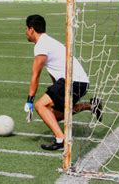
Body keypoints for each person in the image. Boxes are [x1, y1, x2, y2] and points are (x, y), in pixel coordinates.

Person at [24, 14, 102, 151]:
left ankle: (61, 140)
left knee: (40, 106)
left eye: (26, 29)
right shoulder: (48, 42)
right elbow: (54, 72)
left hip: (73, 81)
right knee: (53, 115)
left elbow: (35, 76)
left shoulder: (41, 46)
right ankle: (90, 106)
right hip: (79, 82)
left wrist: (30, 100)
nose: (26, 32)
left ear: (31, 29)